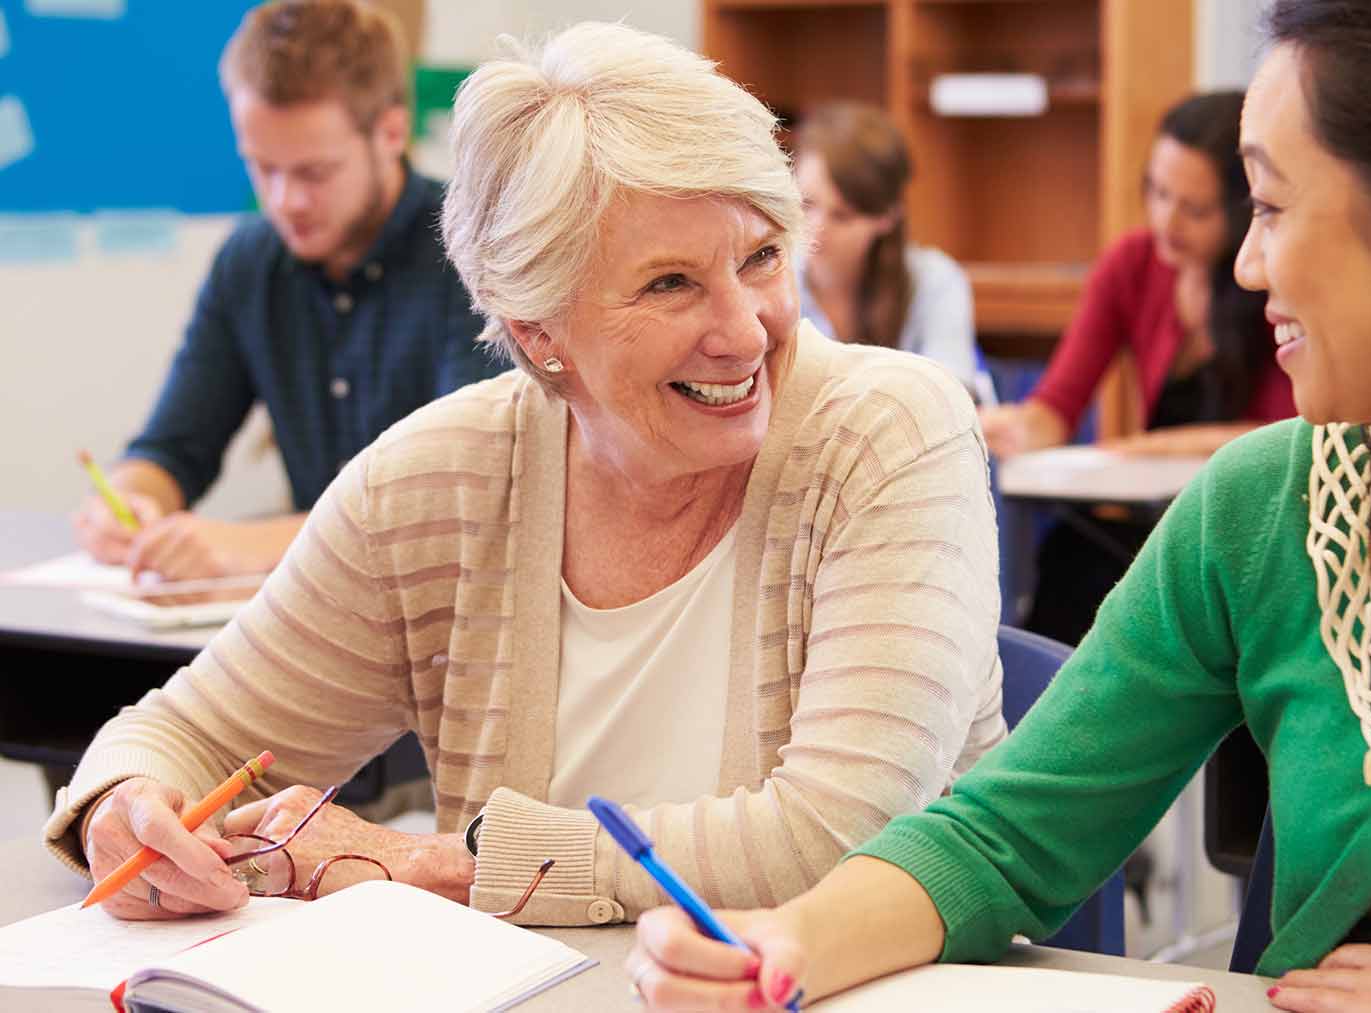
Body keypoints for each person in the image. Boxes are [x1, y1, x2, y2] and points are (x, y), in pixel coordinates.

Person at [630, 2, 1371, 1011]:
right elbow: (1001, 836)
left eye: (1276, 207)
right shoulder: (1271, 501)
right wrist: (785, 941)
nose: (1247, 266)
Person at [43, 21, 1006, 928]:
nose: (746, 330)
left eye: (761, 257)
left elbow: (838, 841)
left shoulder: (892, 433)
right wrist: (123, 809)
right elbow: (182, 736)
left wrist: (426, 866)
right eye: (671, 283)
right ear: (538, 331)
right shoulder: (440, 478)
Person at [70, 0, 504, 582]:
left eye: (314, 173)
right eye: (263, 168)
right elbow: (175, 447)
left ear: (391, 133)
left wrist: (258, 543)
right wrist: (128, 501)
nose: (286, 201)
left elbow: (456, 496)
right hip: (321, 615)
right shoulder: (250, 261)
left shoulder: (473, 253)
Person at [978, 91, 1293, 462]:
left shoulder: (1274, 279)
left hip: (1249, 500)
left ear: (1245, 211)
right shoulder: (1131, 263)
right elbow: (1057, 407)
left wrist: (1144, 449)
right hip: (1150, 501)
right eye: (1158, 193)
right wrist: (1015, 429)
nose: (1166, 222)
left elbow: (1284, 432)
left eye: (1195, 209)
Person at [792, 101, 995, 404]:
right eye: (806, 203)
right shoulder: (767, 278)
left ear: (886, 217)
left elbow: (950, 396)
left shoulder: (935, 280)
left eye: (843, 216)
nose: (816, 227)